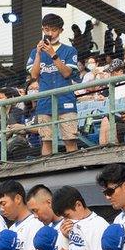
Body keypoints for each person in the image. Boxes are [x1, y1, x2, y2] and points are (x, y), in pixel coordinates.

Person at [28, 13, 80, 155]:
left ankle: (74, 169)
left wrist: (53, 54)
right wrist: (39, 54)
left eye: (54, 30)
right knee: (46, 140)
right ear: (43, 29)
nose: (50, 33)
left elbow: (67, 73)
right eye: (46, 29)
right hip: (45, 100)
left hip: (65, 98)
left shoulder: (69, 50)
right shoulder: (35, 52)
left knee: (70, 139)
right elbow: (33, 75)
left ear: (61, 30)